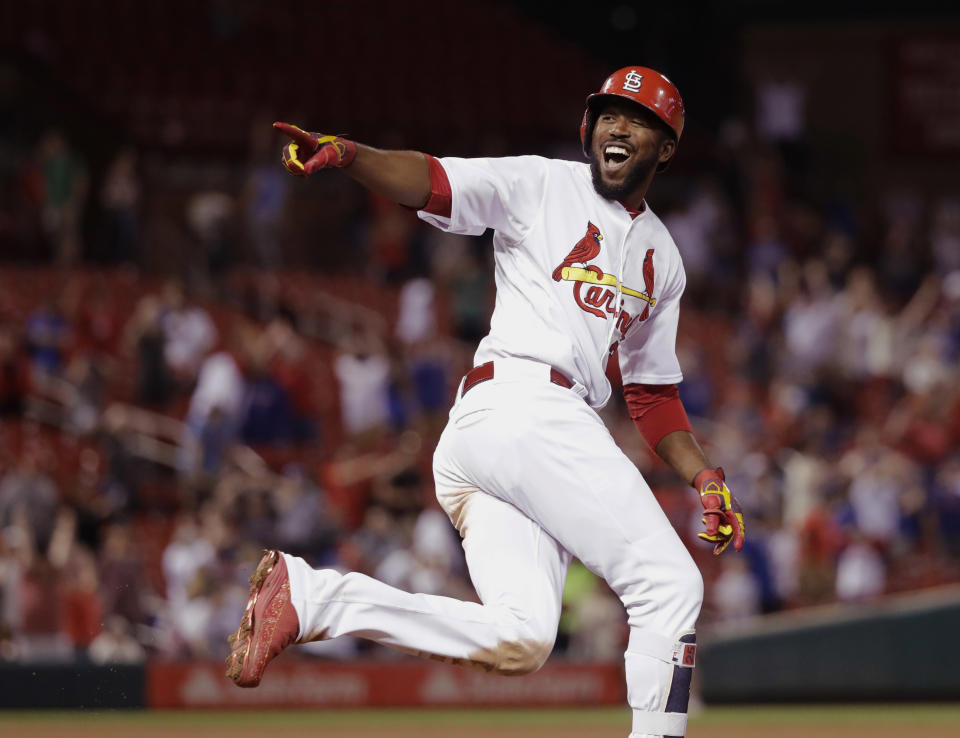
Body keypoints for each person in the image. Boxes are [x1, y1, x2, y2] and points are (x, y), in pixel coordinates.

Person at [226, 67, 745, 738]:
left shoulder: (663, 259)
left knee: (523, 638)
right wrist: (354, 157)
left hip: (517, 436)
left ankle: (313, 597)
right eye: (611, 113)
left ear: (666, 147)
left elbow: (651, 394)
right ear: (589, 128)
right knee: (671, 586)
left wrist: (703, 475)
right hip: (522, 403)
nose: (621, 126)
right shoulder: (542, 183)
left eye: (640, 119)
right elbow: (434, 180)